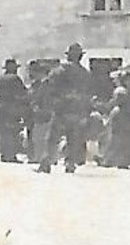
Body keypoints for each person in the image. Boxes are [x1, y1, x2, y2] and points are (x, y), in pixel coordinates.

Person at [37, 43, 92, 173]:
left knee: (52, 139)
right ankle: (70, 163)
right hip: (76, 111)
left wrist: (49, 104)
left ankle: (46, 163)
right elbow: (88, 93)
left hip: (61, 110)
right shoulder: (85, 73)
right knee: (73, 139)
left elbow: (48, 88)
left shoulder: (59, 71)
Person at [0, 59, 29, 162]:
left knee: (4, 132)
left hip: (1, 107)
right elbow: (23, 93)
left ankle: (4, 154)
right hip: (13, 107)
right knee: (13, 132)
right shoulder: (15, 79)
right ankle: (11, 155)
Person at [102, 70, 130, 168]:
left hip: (128, 118)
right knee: (117, 139)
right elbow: (115, 102)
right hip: (122, 117)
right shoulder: (122, 91)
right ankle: (109, 160)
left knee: (124, 140)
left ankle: (120, 161)